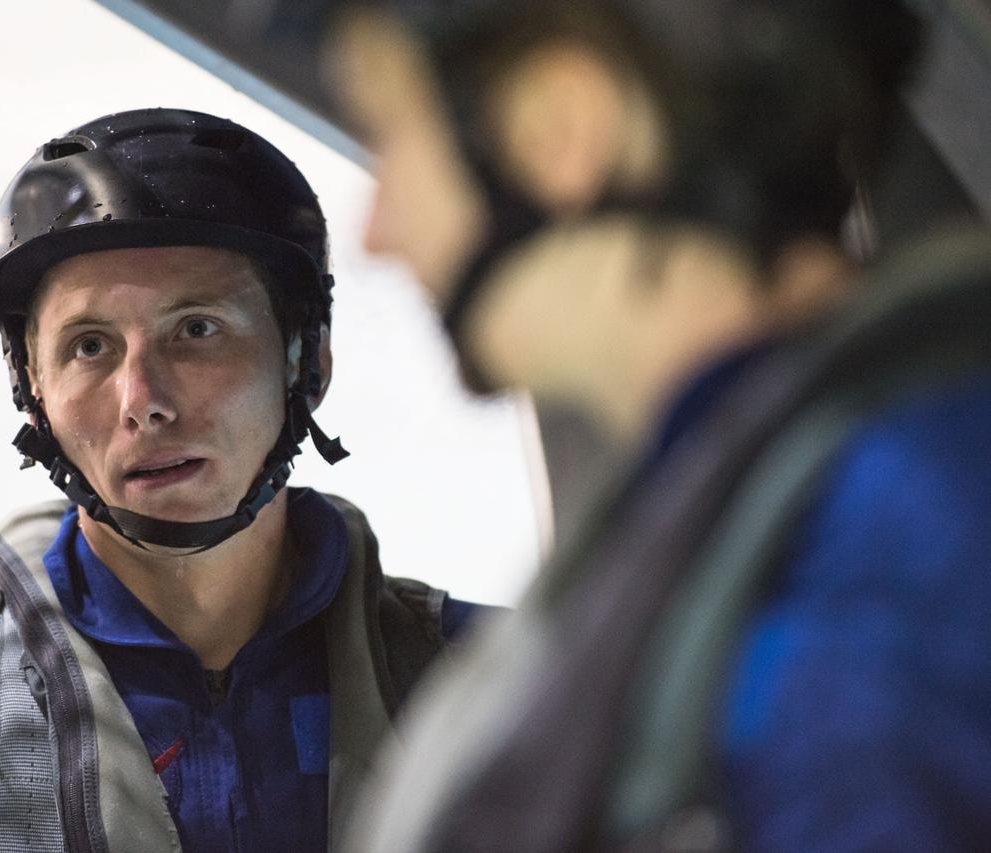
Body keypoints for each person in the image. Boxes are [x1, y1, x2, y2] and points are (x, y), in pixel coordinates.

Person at [325, 1, 991, 850]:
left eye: (393, 133)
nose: (376, 230)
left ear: (562, 127)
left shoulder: (884, 548)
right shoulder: (734, 502)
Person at [0, 108, 483, 852]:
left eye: (197, 328)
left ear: (307, 359)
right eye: (90, 345)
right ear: (32, 388)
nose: (144, 401)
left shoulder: (502, 688)